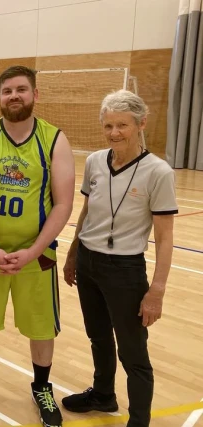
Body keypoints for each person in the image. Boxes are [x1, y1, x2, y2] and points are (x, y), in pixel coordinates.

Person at [0, 65, 75, 426]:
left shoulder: (55, 140)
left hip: (36, 256)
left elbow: (64, 204)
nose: (14, 96)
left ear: (35, 94)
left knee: (41, 327)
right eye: (7, 91)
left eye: (21, 89)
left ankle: (41, 387)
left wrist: (34, 250)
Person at [61, 90, 178, 427]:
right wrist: (72, 254)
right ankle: (103, 395)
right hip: (88, 261)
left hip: (125, 269)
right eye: (109, 125)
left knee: (133, 352)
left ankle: (139, 420)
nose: (114, 133)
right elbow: (86, 211)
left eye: (122, 125)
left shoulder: (159, 172)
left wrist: (156, 291)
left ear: (141, 124)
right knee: (97, 335)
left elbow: (166, 237)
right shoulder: (95, 161)